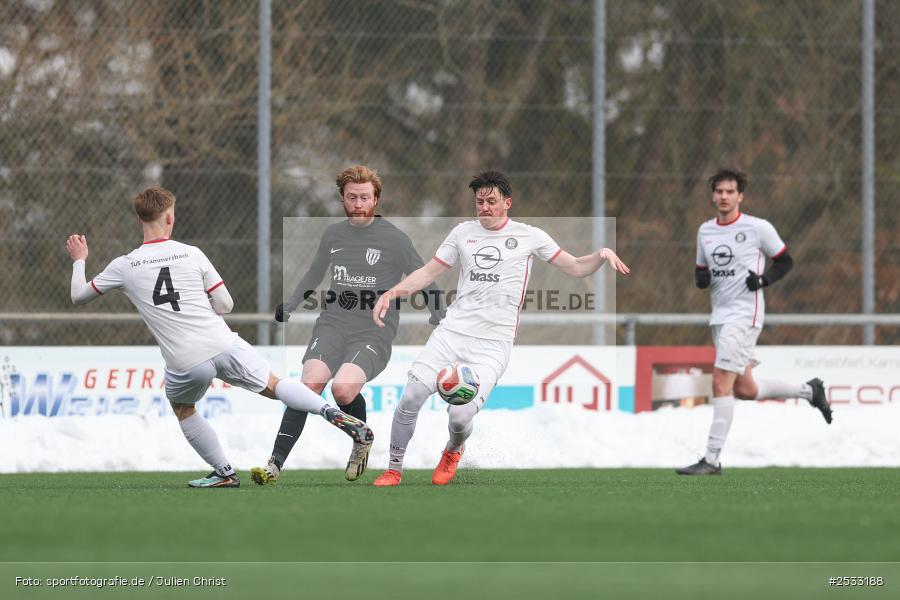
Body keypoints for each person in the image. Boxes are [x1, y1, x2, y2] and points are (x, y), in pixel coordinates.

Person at [66, 187, 373, 488]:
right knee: (276, 385)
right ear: (170, 218)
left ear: (139, 220)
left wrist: (80, 258)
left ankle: (224, 472)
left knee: (184, 408)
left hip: (185, 360)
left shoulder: (125, 265)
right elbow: (225, 304)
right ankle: (331, 413)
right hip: (222, 342)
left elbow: (79, 296)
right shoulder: (191, 253)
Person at [369, 170, 630, 486]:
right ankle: (394, 468)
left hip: (493, 343)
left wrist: (601, 254)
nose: (484, 208)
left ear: (508, 203)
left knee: (460, 416)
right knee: (410, 397)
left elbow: (574, 267)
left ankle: (453, 449)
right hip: (451, 333)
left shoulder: (530, 236)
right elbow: (428, 273)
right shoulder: (462, 233)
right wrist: (393, 292)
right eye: (480, 202)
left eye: (491, 201)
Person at [251, 165, 444, 485]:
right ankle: (274, 464)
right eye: (351, 197)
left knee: (342, 390)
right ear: (342, 198)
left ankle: (360, 441)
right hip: (332, 324)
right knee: (308, 386)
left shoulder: (394, 239)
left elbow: (422, 277)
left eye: (364, 197)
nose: (358, 203)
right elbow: (314, 273)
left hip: (373, 329)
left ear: (376, 199)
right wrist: (293, 303)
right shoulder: (334, 235)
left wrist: (438, 310)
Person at [676, 169, 832, 476]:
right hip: (719, 317)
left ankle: (711, 459)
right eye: (719, 191)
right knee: (745, 389)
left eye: (729, 192)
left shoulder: (757, 228)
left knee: (721, 380)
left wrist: (762, 280)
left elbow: (785, 260)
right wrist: (703, 278)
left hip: (745, 316)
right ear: (713, 195)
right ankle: (810, 391)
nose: (723, 196)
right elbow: (700, 275)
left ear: (740, 196)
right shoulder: (705, 231)